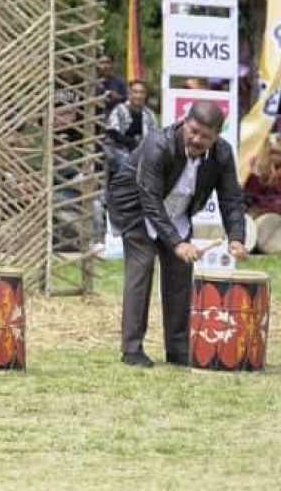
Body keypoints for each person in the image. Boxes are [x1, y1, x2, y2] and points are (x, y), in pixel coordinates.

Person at [107, 100, 247, 368]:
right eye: (193, 131)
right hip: (136, 208)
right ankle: (132, 349)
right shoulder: (158, 144)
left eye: (205, 136)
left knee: (180, 276)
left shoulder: (222, 154)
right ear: (184, 122)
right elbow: (149, 199)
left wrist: (237, 237)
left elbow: (231, 198)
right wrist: (177, 243)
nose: (196, 139)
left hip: (177, 214)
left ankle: (178, 349)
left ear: (216, 136)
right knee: (141, 267)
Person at [104, 79, 157, 183]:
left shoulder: (149, 114)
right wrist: (133, 142)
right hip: (118, 152)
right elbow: (112, 132)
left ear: (145, 95)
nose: (138, 96)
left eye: (141, 92)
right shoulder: (119, 110)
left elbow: (154, 137)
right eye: (135, 92)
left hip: (142, 154)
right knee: (128, 166)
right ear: (129, 94)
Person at [95, 52, 127, 117]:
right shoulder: (92, 83)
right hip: (95, 119)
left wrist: (117, 97)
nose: (105, 66)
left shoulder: (119, 82)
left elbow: (127, 100)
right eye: (102, 63)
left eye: (108, 62)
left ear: (112, 65)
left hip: (115, 119)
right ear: (97, 65)